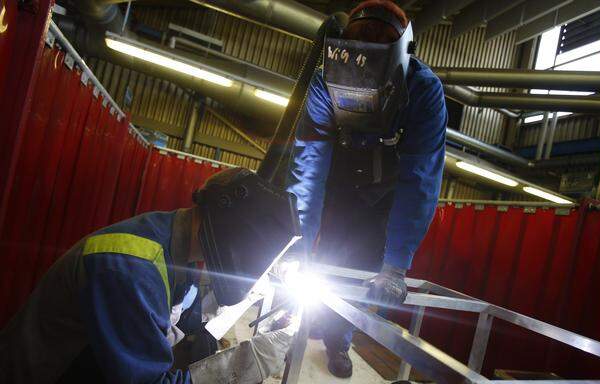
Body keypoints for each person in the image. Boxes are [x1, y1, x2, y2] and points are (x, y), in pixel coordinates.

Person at [0, 167, 301, 384]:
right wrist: (251, 362)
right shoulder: (131, 268)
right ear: (238, 235)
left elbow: (182, 313)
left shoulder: (177, 240)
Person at [287, 0, 447, 378]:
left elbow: (419, 181)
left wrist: (395, 264)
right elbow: (308, 163)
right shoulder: (326, 79)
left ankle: (339, 338)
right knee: (323, 253)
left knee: (361, 266)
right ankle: (311, 317)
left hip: (384, 195)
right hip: (337, 179)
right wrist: (295, 241)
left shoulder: (424, 92)